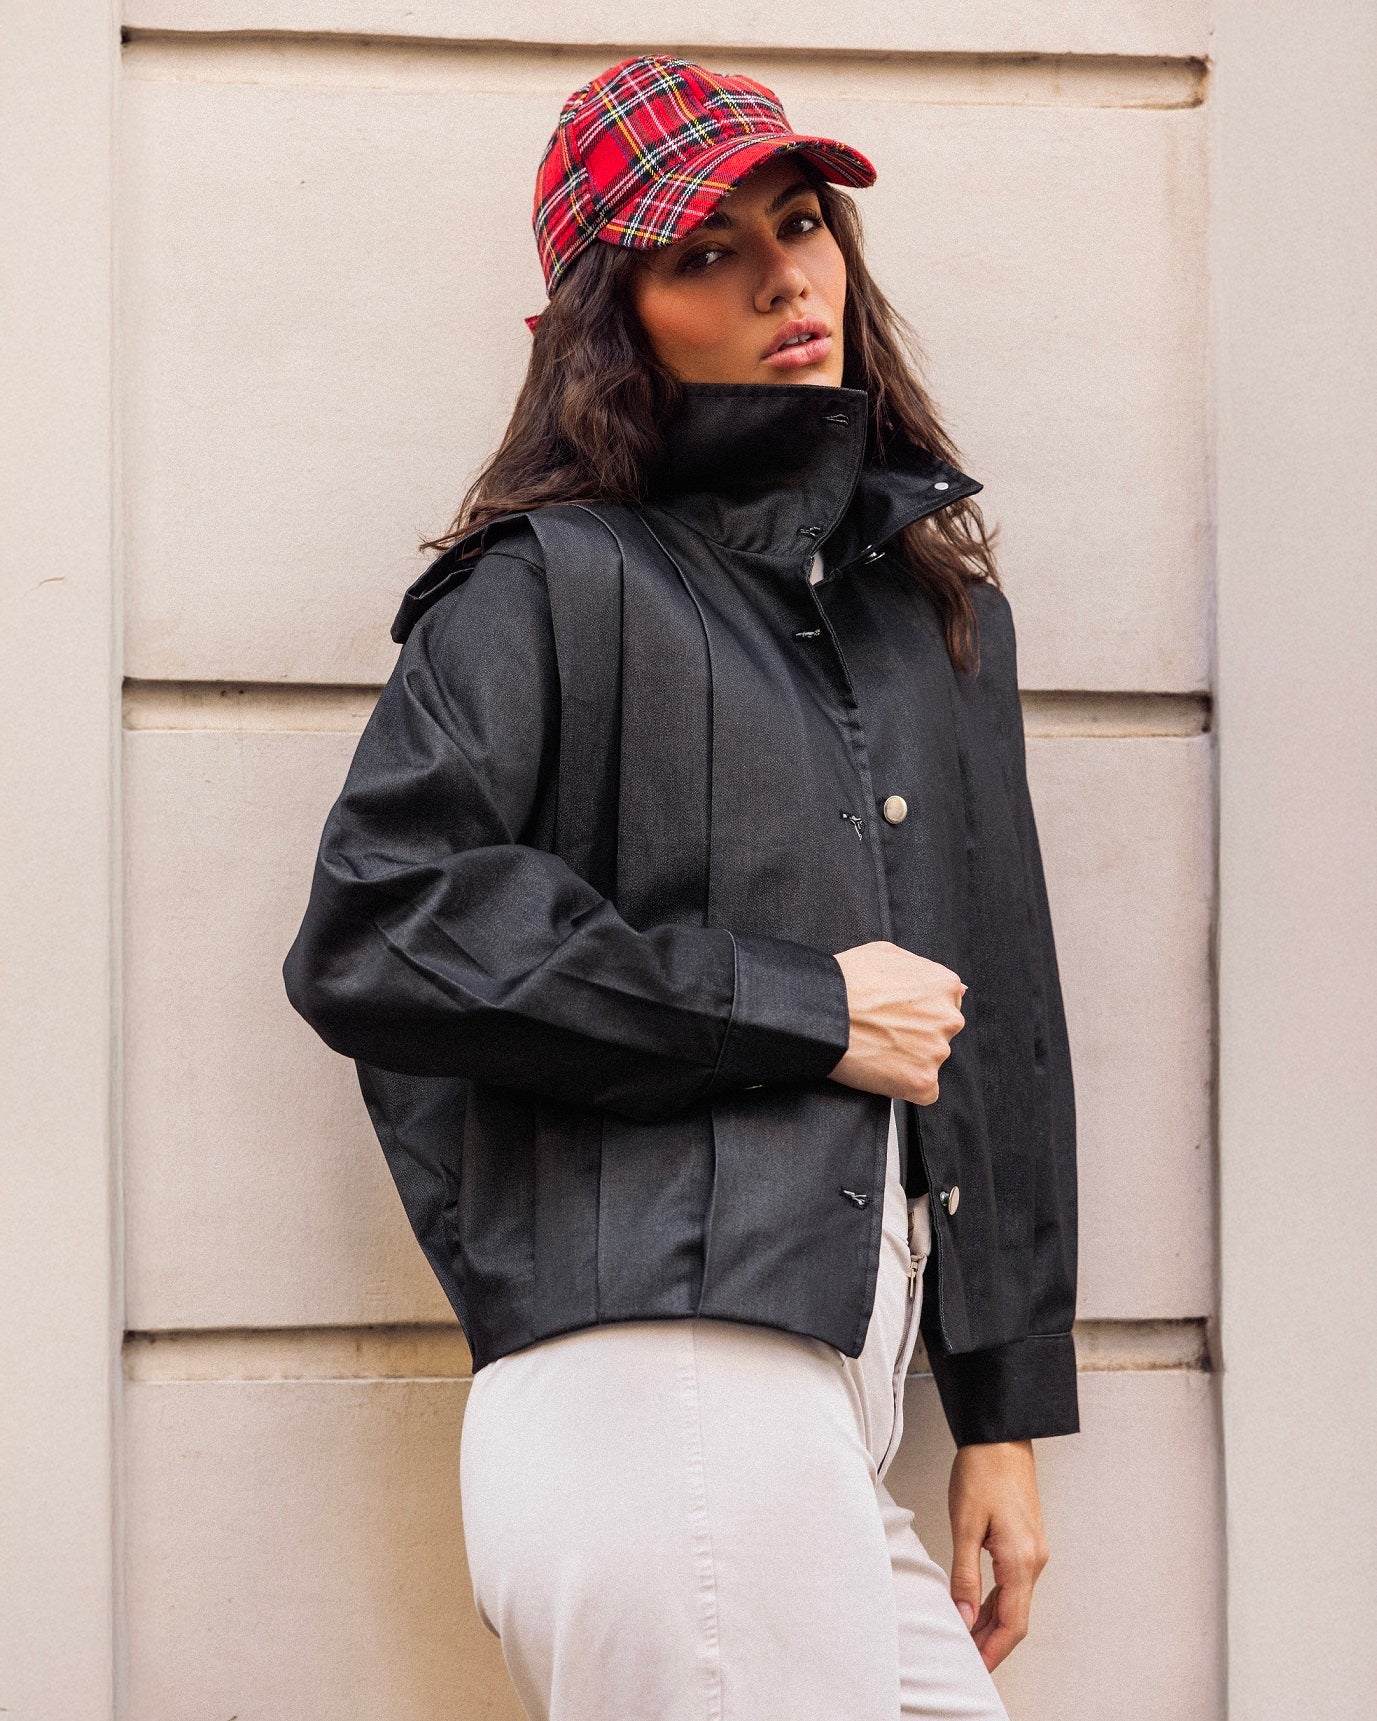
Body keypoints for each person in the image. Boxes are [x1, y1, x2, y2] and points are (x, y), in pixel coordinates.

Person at [283, 53, 1078, 1721]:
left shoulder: (933, 620)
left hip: (813, 1424)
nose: (786, 273)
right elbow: (382, 925)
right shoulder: (549, 581)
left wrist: (997, 1403)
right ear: (610, 317)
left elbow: (992, 1008)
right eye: (702, 250)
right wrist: (796, 1005)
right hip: (651, 1386)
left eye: (799, 223)